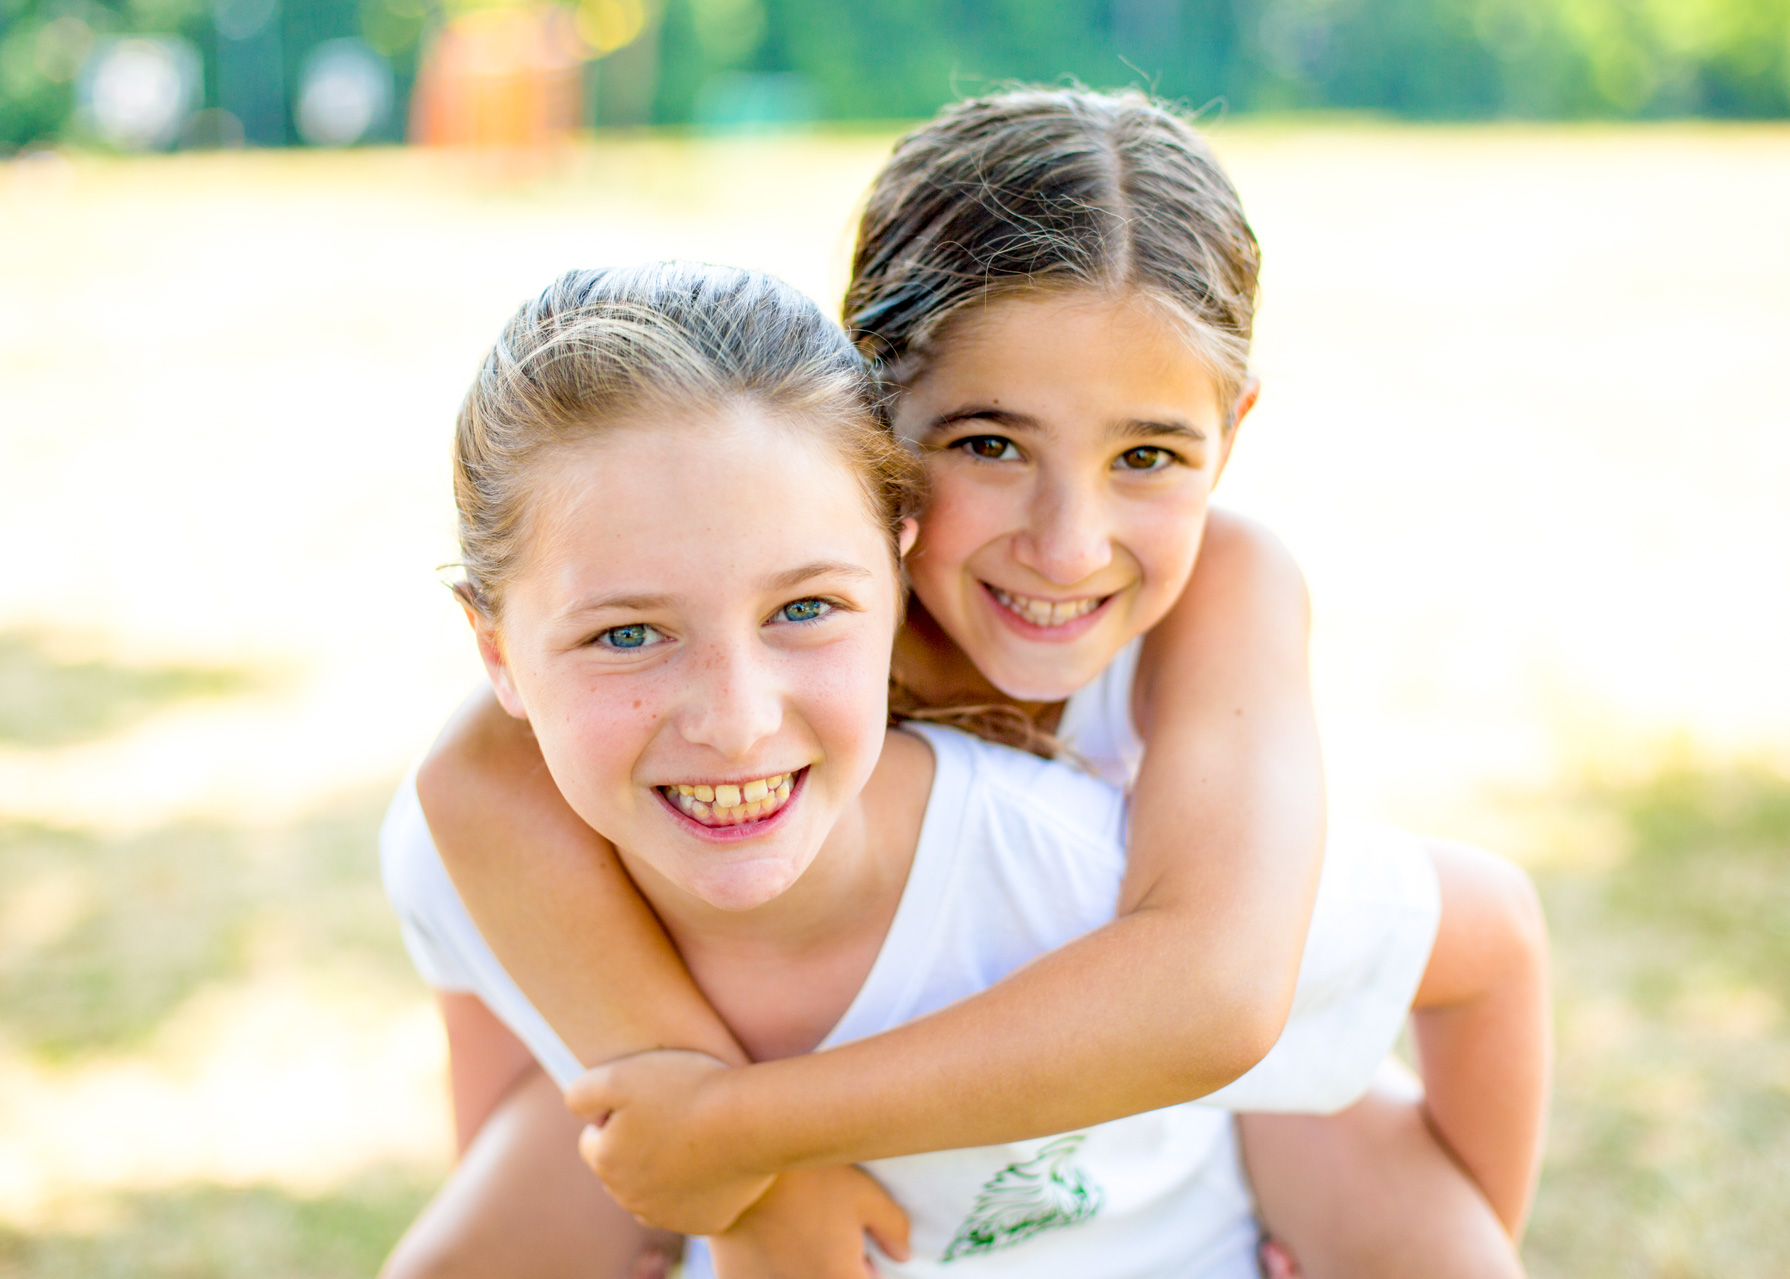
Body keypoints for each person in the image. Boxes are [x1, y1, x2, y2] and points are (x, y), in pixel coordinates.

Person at [389, 89, 1550, 1277]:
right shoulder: (776, 607)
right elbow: (476, 774)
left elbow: (1214, 994)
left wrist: (750, 1137)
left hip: (1163, 1079)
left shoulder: (1225, 587)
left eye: (1145, 456)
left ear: (1229, 435)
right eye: (988, 444)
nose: (1065, 545)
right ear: (869, 419)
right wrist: (755, 1195)